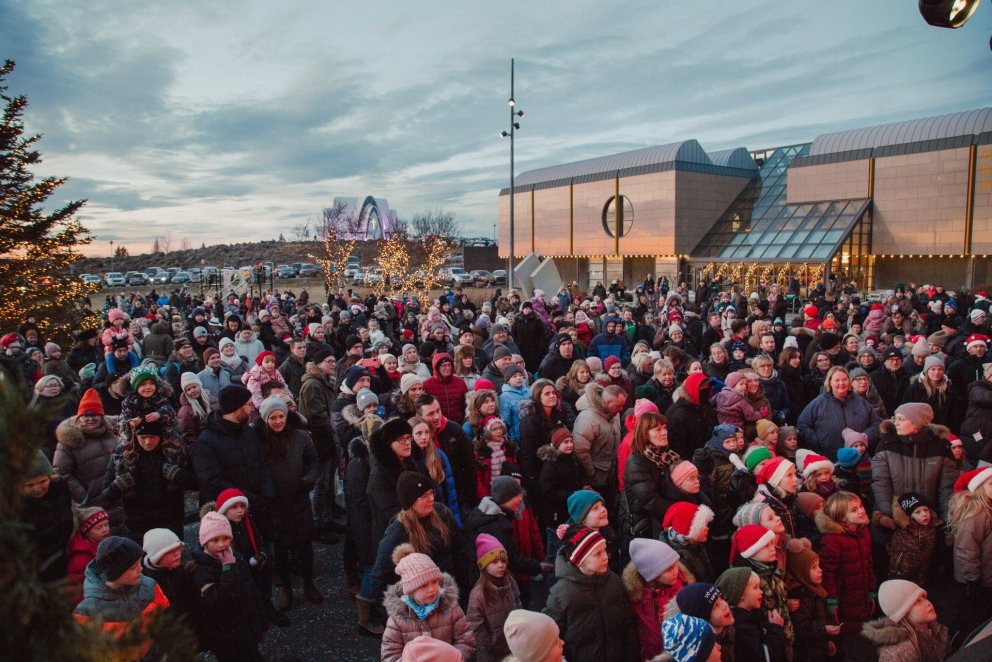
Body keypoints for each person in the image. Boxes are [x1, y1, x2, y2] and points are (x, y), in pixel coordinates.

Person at [255, 395, 321, 610]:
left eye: (281, 416)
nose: (278, 421)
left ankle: (309, 583)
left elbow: (313, 462)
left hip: (298, 499)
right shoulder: (259, 441)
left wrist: (308, 480)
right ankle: (286, 587)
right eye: (273, 418)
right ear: (265, 419)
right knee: (280, 547)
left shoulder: (301, 437)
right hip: (275, 503)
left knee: (305, 544)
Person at [543, 524, 638, 662]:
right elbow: (550, 637)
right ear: (579, 561)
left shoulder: (614, 582)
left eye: (605, 550)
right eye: (598, 553)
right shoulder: (562, 594)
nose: (605, 557)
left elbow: (627, 625)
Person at [72, 536, 170, 659]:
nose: (140, 569)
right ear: (115, 572)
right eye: (133, 567)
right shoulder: (86, 611)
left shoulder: (149, 586)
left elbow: (165, 621)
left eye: (139, 562)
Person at [191, 511, 267, 661]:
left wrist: (260, 619)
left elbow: (250, 589)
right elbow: (217, 601)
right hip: (226, 637)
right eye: (215, 540)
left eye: (225, 538)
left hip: (246, 628)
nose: (221, 544)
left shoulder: (236, 556)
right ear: (205, 542)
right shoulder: (202, 570)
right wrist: (228, 568)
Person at [381, 546, 475, 662]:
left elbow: (467, 641)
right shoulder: (398, 618)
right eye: (423, 585)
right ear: (410, 590)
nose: (431, 589)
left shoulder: (451, 608)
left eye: (434, 582)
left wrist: (453, 657)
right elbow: (390, 654)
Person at [194, 385, 276, 518]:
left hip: (259, 507)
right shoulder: (206, 441)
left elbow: (262, 463)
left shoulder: (248, 431)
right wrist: (249, 499)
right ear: (237, 408)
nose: (252, 408)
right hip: (230, 512)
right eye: (249, 404)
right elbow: (212, 482)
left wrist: (267, 493)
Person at [101, 418, 187, 542]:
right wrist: (118, 485)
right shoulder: (122, 455)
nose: (147, 442)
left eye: (152, 437)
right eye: (143, 437)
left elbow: (196, 483)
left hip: (170, 522)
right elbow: (106, 497)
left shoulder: (175, 452)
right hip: (137, 527)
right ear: (135, 436)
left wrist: (178, 475)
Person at [816, 491, 876, 645]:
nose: (861, 511)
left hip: (862, 595)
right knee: (848, 638)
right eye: (854, 510)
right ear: (842, 517)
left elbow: (869, 563)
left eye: (861, 506)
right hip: (843, 599)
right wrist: (831, 600)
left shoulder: (864, 532)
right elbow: (827, 573)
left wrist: (871, 590)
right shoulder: (832, 540)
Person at [622, 538, 690, 659]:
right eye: (669, 569)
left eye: (676, 565)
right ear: (652, 574)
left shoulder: (683, 584)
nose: (676, 571)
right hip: (653, 655)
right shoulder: (637, 597)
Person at [946, 466, 992, 638]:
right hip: (976, 580)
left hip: (987, 576)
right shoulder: (977, 515)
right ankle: (958, 643)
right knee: (971, 616)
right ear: (979, 487)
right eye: (991, 484)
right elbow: (966, 550)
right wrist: (972, 580)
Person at [797, 366, 881, 460]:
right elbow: (802, 425)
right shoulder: (818, 404)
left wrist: (866, 436)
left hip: (859, 458)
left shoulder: (861, 403)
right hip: (828, 459)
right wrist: (819, 440)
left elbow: (876, 423)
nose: (841, 383)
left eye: (845, 379)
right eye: (837, 380)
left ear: (849, 381)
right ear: (830, 382)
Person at [53, 389, 119, 505]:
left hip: (120, 498)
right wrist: (84, 497)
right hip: (93, 504)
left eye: (95, 415)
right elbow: (62, 472)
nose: (91, 419)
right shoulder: (68, 441)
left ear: (101, 416)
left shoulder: (115, 431)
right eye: (86, 415)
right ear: (79, 417)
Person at [416, 394, 477, 513]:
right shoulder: (416, 437)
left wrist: (470, 497)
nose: (437, 416)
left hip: (459, 494)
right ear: (419, 417)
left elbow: (470, 464)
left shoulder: (454, 429)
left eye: (438, 410)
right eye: (430, 414)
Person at [861, 580, 949, 662]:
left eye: (924, 598)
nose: (928, 603)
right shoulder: (898, 653)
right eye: (917, 602)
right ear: (902, 613)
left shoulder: (935, 629)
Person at [467, 533, 522, 662]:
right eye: (494, 562)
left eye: (503, 561)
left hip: (513, 643)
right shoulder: (477, 595)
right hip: (491, 654)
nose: (501, 565)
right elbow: (476, 625)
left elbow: (517, 600)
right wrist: (488, 645)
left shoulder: (510, 581)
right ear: (484, 565)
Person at [714, 566, 787, 662]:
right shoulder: (742, 627)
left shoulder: (751, 616)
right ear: (740, 594)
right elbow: (767, 658)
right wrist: (776, 628)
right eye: (755, 588)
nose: (761, 592)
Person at [572, 383, 627, 505]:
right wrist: (591, 473)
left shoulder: (614, 413)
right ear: (607, 403)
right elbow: (580, 451)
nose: (622, 409)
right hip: (596, 479)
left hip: (610, 474)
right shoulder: (587, 418)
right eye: (618, 406)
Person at [786, 546, 838, 661]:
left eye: (819, 566)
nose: (820, 570)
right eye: (813, 567)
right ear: (801, 572)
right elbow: (802, 629)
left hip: (819, 648)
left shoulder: (816, 590)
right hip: (806, 654)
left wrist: (828, 640)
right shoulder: (800, 596)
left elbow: (823, 616)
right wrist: (825, 630)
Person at [142, 528, 196, 621]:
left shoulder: (181, 570)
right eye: (170, 552)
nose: (177, 554)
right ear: (157, 557)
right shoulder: (150, 585)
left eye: (178, 548)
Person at [65, 507, 111, 605]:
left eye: (106, 525)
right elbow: (76, 589)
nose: (105, 530)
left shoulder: (110, 543)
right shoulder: (79, 559)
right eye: (98, 528)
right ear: (86, 531)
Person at [665, 373, 716, 459]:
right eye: (702, 388)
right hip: (691, 460)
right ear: (692, 389)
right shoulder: (678, 414)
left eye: (707, 387)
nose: (706, 390)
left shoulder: (707, 406)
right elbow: (677, 447)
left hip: (708, 456)